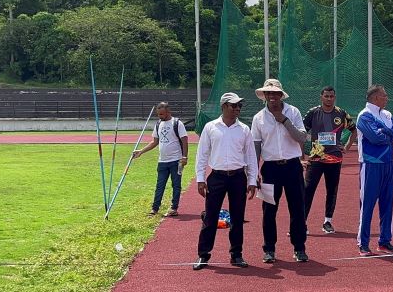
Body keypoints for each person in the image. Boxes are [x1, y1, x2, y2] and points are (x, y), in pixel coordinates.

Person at [193, 92, 258, 270]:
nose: (237, 108)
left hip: (238, 177)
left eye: (239, 106)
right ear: (223, 106)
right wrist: (200, 179)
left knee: (237, 218)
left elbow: (251, 156)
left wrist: (252, 180)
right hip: (217, 177)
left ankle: (236, 255)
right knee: (210, 217)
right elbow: (202, 154)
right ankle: (203, 255)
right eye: (233, 105)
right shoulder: (210, 127)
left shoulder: (244, 129)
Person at [251, 79, 309, 263]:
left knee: (297, 209)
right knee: (269, 210)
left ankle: (299, 248)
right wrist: (254, 172)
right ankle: (269, 249)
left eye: (276, 93)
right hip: (270, 169)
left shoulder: (293, 112)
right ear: (265, 96)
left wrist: (284, 120)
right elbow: (256, 147)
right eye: (269, 93)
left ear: (281, 94)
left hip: (292, 166)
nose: (272, 97)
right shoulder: (258, 118)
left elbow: (302, 137)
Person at [356, 84, 393, 256]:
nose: (387, 98)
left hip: (388, 164)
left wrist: (386, 130)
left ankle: (384, 241)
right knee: (367, 205)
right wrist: (389, 133)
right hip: (370, 165)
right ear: (375, 98)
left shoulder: (387, 115)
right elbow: (376, 138)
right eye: (384, 95)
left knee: (387, 204)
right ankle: (363, 243)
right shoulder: (364, 116)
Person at [303, 86, 357, 234]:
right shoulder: (313, 113)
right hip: (315, 159)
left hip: (334, 159)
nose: (329, 99)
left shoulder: (341, 113)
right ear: (321, 97)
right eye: (326, 96)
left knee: (332, 191)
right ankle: (302, 222)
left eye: (331, 96)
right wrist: (302, 156)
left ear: (335, 97)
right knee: (307, 190)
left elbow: (354, 130)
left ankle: (328, 221)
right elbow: (301, 133)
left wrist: (346, 147)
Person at [132, 102, 189, 217]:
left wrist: (184, 157)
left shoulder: (177, 123)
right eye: (158, 114)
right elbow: (154, 142)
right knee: (160, 185)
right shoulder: (158, 124)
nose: (160, 116)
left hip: (176, 161)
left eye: (162, 114)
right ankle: (155, 208)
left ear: (168, 112)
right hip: (162, 161)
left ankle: (174, 208)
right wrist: (141, 152)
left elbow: (184, 141)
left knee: (176, 185)